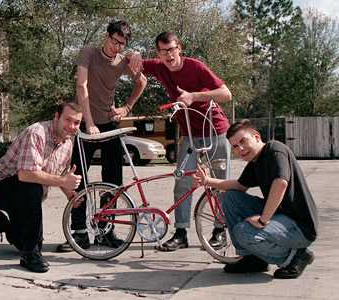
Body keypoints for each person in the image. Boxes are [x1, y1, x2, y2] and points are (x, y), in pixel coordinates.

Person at [128, 31, 232, 251]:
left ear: (179, 48)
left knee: (219, 183)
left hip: (215, 130)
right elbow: (129, 59)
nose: (168, 55)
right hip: (189, 135)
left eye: (172, 49)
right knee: (182, 181)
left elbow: (226, 94)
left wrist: (194, 96)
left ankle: (220, 230)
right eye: (163, 51)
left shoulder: (196, 67)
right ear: (158, 53)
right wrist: (135, 53)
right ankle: (181, 233)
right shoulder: (159, 66)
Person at [56, 20, 147, 252]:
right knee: (78, 178)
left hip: (110, 125)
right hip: (86, 124)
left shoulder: (122, 62)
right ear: (106, 36)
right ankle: (78, 234)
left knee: (113, 181)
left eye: (122, 44)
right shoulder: (88, 52)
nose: (117, 47)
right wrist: (88, 122)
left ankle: (106, 232)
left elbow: (142, 81)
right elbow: (81, 87)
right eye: (114, 41)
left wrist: (126, 109)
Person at [192, 119, 318, 279]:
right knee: (230, 196)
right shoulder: (255, 162)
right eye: (235, 146)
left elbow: (280, 183)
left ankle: (296, 256)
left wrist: (263, 220)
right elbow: (239, 185)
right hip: (281, 218)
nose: (241, 149)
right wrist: (207, 181)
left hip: (300, 227)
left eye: (243, 141)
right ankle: (253, 259)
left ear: (257, 137)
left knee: (243, 232)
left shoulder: (274, 149)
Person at [0, 101, 83, 273]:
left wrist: (70, 194)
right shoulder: (37, 133)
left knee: (30, 240)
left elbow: (61, 176)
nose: (72, 126)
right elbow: (26, 175)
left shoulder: (67, 145)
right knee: (33, 185)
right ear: (56, 117)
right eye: (68, 120)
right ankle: (29, 255)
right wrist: (63, 182)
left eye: (77, 123)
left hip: (25, 196)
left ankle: (1, 223)